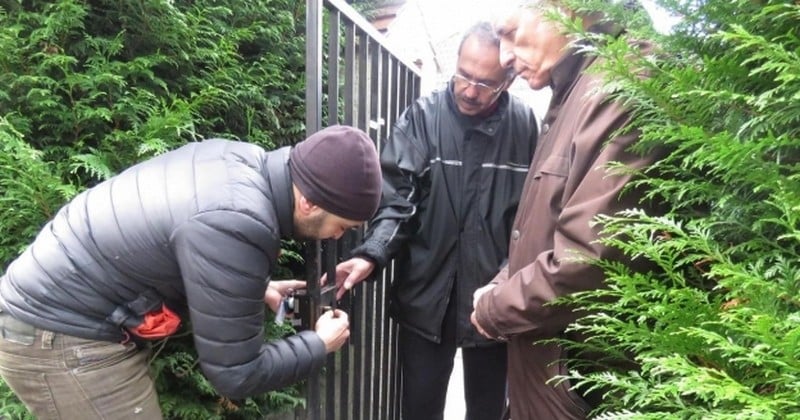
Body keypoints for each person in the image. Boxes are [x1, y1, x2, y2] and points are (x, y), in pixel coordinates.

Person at [0, 125, 382, 419]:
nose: (338, 237)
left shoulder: (242, 163)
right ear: (309, 202)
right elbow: (236, 374)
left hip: (53, 319)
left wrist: (251, 286)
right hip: (59, 337)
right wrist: (318, 344)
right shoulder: (239, 221)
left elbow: (185, 232)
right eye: (344, 226)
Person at [326, 22, 538, 420]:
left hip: (494, 302)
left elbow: (531, 217)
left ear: (507, 80)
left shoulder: (526, 128)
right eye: (464, 76)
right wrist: (371, 254)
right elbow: (398, 201)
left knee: (490, 411)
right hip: (427, 299)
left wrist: (510, 282)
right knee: (420, 410)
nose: (470, 90)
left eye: (485, 83)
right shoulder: (422, 118)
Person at [470, 2, 660, 419]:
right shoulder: (575, 89)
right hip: (545, 381)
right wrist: (502, 281)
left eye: (509, 32)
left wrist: (493, 308)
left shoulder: (624, 85)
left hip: (577, 389)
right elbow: (544, 227)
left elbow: (588, 260)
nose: (503, 57)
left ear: (563, 6)